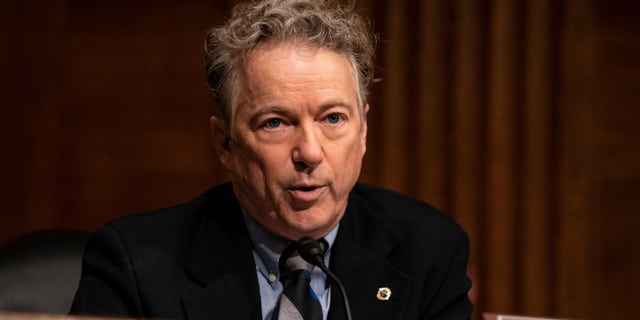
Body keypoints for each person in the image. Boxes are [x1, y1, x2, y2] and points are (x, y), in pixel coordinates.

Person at [70, 0, 473, 319]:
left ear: (363, 130)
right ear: (225, 144)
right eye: (276, 123)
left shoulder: (429, 252)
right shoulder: (136, 265)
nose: (310, 153)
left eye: (333, 118)